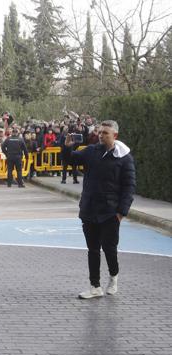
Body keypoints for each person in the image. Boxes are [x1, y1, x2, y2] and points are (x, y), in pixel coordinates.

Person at [66, 120, 136, 299]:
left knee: (109, 249)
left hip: (110, 212)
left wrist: (121, 212)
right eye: (100, 132)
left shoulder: (124, 158)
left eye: (105, 132)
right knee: (93, 249)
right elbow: (71, 159)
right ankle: (95, 286)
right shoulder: (91, 151)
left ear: (115, 135)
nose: (101, 135)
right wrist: (66, 147)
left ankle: (113, 276)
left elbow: (129, 186)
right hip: (89, 208)